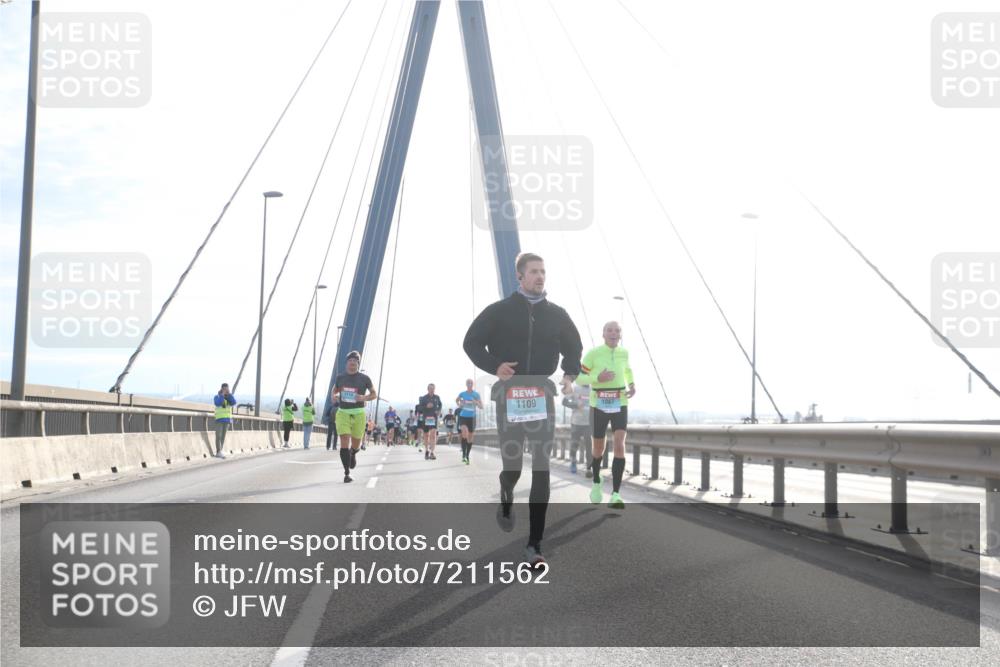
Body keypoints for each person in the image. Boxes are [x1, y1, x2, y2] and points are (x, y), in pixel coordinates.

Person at [463, 252, 582, 567]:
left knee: (542, 467)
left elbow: (574, 347)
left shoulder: (557, 314)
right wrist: (494, 365)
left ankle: (534, 545)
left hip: (541, 393)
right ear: (520, 276)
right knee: (513, 466)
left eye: (543, 271)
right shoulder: (499, 312)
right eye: (533, 272)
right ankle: (506, 491)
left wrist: (569, 376)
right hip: (509, 394)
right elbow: (471, 342)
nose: (540, 276)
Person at [577, 321, 635, 509]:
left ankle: (616, 494)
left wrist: (632, 384)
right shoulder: (593, 354)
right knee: (598, 449)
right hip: (598, 404)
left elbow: (626, 370)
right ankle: (596, 482)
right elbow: (579, 377)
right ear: (603, 334)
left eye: (617, 330)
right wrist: (597, 378)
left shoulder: (623, 353)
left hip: (619, 402)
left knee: (620, 444)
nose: (613, 333)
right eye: (609, 330)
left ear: (620, 334)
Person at [331, 350, 377, 483]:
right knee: (344, 439)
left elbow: (374, 394)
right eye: (350, 361)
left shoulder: (364, 378)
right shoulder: (340, 377)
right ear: (347, 363)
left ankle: (353, 453)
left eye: (355, 361)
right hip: (343, 412)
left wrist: (363, 397)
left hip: (359, 413)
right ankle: (347, 473)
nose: (352, 363)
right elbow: (334, 390)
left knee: (356, 443)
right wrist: (333, 396)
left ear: (358, 363)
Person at [561, 384, 591, 474]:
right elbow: (564, 402)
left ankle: (589, 468)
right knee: (574, 445)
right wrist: (576, 405)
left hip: (589, 423)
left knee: (589, 446)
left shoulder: (593, 389)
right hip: (576, 422)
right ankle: (573, 462)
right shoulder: (575, 388)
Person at [455, 378, 483, 465]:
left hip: (472, 418)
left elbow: (481, 406)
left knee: (470, 437)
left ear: (473, 384)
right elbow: (457, 400)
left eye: (471, 383)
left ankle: (467, 455)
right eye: (468, 383)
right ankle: (463, 454)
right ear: (466, 384)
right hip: (463, 416)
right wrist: (460, 404)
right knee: (464, 433)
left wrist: (475, 402)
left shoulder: (476, 394)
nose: (469, 384)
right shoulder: (462, 393)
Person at [418, 384, 443, 460]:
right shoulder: (424, 398)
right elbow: (419, 408)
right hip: (426, 419)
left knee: (433, 435)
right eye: (430, 388)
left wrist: (439, 411)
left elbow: (440, 404)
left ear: (434, 389)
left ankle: (432, 452)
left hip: (434, 419)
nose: (432, 390)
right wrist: (426, 406)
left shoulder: (437, 397)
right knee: (426, 435)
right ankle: (426, 450)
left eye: (433, 388)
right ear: (427, 389)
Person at [213, 383, 237, 459]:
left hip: (227, 420)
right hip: (219, 419)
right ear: (221, 389)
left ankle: (220, 451)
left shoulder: (229, 398)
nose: (226, 391)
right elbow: (217, 403)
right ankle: (218, 451)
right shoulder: (217, 397)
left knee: (223, 436)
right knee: (218, 436)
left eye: (227, 389)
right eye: (224, 389)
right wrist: (222, 395)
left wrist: (229, 394)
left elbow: (234, 402)